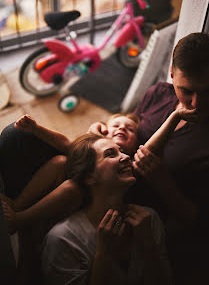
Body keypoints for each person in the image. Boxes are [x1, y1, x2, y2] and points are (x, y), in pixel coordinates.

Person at [89, 32, 209, 285]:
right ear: (172, 75)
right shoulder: (158, 95)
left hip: (143, 216)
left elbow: (198, 222)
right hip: (108, 184)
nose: (197, 103)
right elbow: (129, 125)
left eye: (208, 92)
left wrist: (164, 184)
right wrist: (105, 131)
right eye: (186, 91)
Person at [1, 106, 195, 233]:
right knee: (60, 161)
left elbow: (150, 149)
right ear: (104, 132)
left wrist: (174, 117)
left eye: (130, 129)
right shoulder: (95, 145)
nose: (121, 129)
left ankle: (20, 219)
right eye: (116, 125)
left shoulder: (128, 163)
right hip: (71, 186)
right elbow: (67, 143)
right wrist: (36, 128)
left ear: (136, 143)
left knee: (72, 188)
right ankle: (17, 205)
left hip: (87, 201)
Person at [42, 133, 173, 285]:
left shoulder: (149, 219)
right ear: (89, 177)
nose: (125, 157)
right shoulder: (63, 239)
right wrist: (104, 254)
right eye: (110, 154)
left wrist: (149, 244)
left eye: (122, 151)